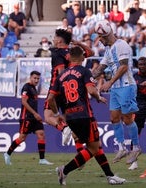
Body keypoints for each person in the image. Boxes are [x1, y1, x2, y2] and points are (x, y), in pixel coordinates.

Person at [48, 46, 126, 185]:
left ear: (69, 57)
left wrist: (56, 114)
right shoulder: (84, 71)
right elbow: (91, 90)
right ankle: (64, 170)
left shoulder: (60, 76)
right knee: (94, 148)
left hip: (70, 118)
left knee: (96, 145)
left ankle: (110, 176)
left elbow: (50, 99)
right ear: (82, 57)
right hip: (84, 115)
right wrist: (98, 97)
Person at [92, 20, 141, 164]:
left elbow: (124, 67)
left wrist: (110, 82)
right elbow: (100, 68)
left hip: (126, 86)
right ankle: (121, 147)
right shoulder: (108, 50)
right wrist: (86, 78)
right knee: (114, 118)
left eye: (101, 37)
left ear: (107, 35)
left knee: (127, 118)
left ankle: (136, 147)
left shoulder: (122, 45)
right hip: (115, 88)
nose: (99, 40)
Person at [44, 29, 94, 145]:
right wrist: (79, 43)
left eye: (55, 37)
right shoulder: (72, 52)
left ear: (60, 40)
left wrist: (58, 88)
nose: (53, 39)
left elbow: (61, 72)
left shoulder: (57, 53)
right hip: (72, 90)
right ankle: (80, 157)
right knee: (72, 124)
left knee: (48, 116)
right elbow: (91, 53)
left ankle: (64, 128)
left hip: (58, 89)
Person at [3, 71, 52, 165]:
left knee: (41, 134)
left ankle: (42, 159)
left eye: (38, 78)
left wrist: (35, 114)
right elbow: (24, 102)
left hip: (34, 117)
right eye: (35, 78)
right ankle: (7, 154)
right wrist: (35, 113)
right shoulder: (26, 87)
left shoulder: (34, 88)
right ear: (30, 78)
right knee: (22, 138)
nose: (36, 80)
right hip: (27, 117)